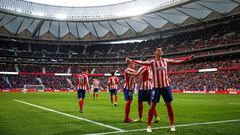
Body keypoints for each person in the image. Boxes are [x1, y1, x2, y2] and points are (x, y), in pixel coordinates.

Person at [127, 47, 194, 132]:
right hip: (156, 87)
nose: (160, 51)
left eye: (161, 50)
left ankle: (172, 125)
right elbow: (142, 62)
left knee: (169, 105)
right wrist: (132, 61)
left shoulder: (165, 61)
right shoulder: (152, 62)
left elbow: (176, 61)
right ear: (154, 52)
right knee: (152, 106)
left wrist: (187, 59)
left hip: (166, 86)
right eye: (158, 50)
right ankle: (148, 126)